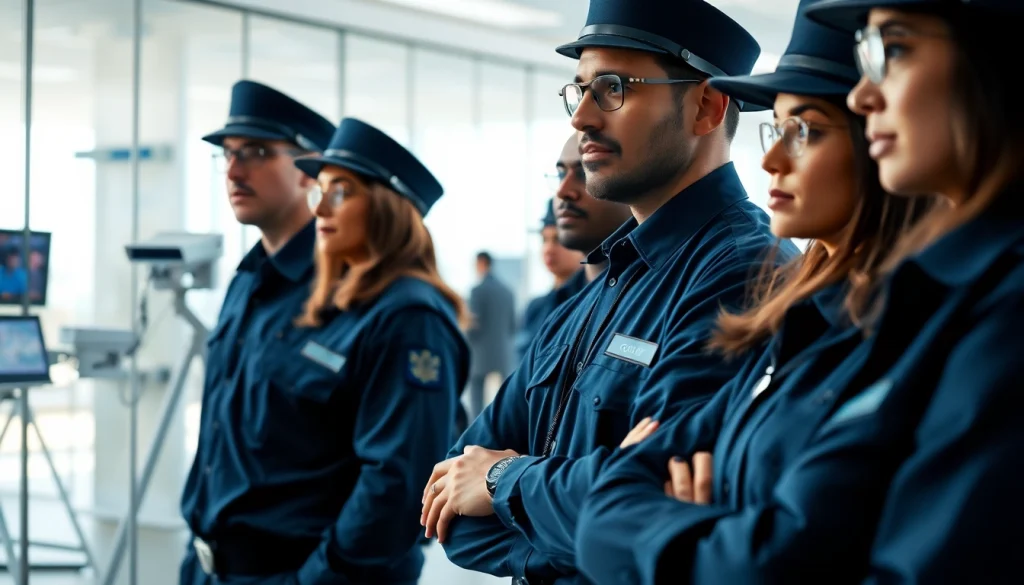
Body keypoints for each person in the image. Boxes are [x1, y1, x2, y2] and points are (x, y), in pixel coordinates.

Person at [575, 0, 1024, 582]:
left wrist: (674, 531)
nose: (867, 96)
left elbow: (795, 557)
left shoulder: (969, 307)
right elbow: (606, 500)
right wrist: (710, 532)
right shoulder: (823, 314)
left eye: (894, 49)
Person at [420, 1, 796, 582]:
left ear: (706, 107)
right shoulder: (598, 287)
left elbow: (652, 509)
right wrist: (577, 524)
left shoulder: (746, 273)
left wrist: (503, 481)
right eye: (580, 91)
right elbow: (453, 511)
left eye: (614, 89)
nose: (582, 118)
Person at [285, 116, 469, 584]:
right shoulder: (346, 306)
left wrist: (320, 575)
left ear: (386, 208)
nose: (319, 207)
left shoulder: (411, 318)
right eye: (319, 191)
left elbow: (395, 484)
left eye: (341, 192)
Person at [178, 79, 337, 584]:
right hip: (208, 566)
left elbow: (394, 480)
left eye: (257, 152)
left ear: (310, 169)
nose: (233, 170)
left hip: (288, 570)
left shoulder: (344, 291)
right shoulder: (246, 281)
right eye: (228, 154)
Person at [516, 199, 586, 361]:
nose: (548, 249)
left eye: (558, 239)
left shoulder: (593, 301)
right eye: (544, 240)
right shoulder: (536, 306)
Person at [466, 250, 516, 419]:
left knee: (476, 394)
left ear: (481, 263)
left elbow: (473, 324)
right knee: (505, 396)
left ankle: (476, 424)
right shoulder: (508, 291)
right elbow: (512, 325)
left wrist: (467, 341)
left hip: (480, 353)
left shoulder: (477, 290)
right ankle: (505, 422)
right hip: (502, 352)